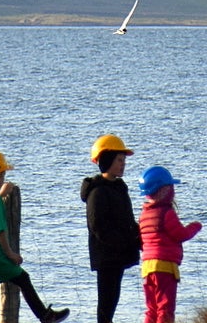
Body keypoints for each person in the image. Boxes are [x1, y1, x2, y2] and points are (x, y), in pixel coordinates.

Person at [0, 149, 70, 323]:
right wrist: (11, 254)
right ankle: (45, 316)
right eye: (2, 174)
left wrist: (1, 194)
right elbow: (0, 232)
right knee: (22, 278)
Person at [80, 134, 141, 323]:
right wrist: (123, 243)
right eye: (119, 160)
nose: (123, 164)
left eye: (124, 160)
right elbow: (98, 226)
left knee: (112, 299)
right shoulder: (97, 191)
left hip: (119, 254)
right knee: (106, 303)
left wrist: (140, 238)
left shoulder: (120, 187)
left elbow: (128, 221)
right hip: (107, 256)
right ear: (107, 161)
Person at [138, 165, 202, 323]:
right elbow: (181, 234)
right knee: (165, 308)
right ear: (165, 190)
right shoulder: (166, 213)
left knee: (152, 308)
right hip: (164, 267)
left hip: (147, 267)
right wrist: (195, 226)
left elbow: (142, 241)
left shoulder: (144, 214)